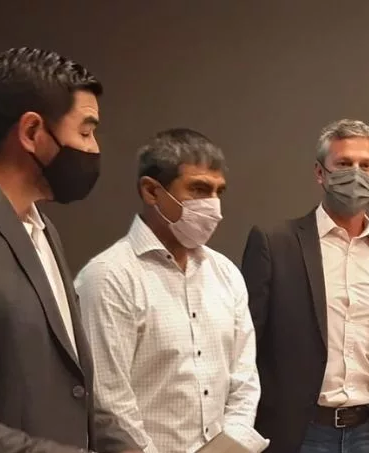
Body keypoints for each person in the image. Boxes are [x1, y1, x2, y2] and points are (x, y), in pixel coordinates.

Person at [0, 47, 140, 453]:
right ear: (32, 132)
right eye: (85, 132)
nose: (94, 148)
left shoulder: (42, 227)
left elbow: (75, 387)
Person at [74, 128, 268, 453]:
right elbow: (109, 404)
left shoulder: (225, 274)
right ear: (152, 191)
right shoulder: (109, 278)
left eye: (218, 192)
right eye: (199, 189)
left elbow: (244, 382)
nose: (214, 206)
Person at [240, 119, 369, 453]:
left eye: (366, 165)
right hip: (301, 433)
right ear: (320, 172)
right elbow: (248, 344)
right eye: (344, 164)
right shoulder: (275, 243)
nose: (356, 174)